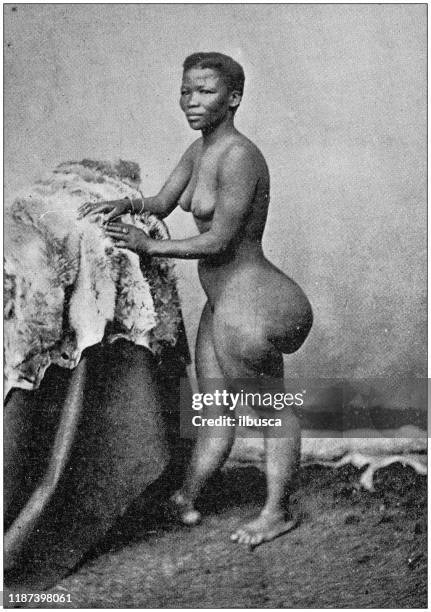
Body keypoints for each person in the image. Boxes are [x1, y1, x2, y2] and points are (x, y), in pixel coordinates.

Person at [78, 52, 312, 547]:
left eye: (205, 91)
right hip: (222, 301)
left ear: (234, 98)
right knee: (214, 409)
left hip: (253, 303)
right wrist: (128, 204)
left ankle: (278, 512)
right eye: (186, 90)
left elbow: (219, 240)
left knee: (271, 412)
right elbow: (163, 202)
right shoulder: (199, 149)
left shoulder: (239, 156)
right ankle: (186, 497)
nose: (191, 101)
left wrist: (149, 246)